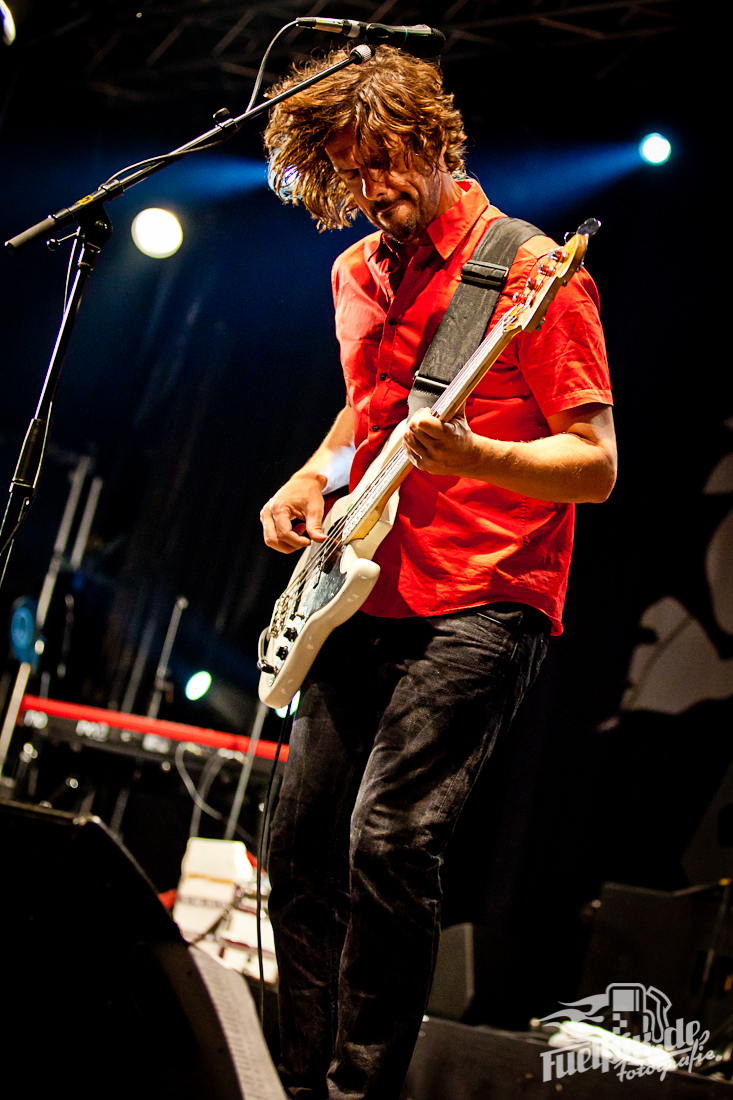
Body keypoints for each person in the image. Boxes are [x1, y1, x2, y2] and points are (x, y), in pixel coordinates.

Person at [259, 45, 616, 1100]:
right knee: (299, 842)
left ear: (433, 138)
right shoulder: (354, 272)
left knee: (389, 835)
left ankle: (362, 1087)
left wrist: (480, 457)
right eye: (348, 172)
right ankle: (301, 1079)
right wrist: (311, 473)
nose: (374, 189)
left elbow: (594, 462)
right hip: (360, 587)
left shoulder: (532, 270)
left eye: (385, 161)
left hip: (485, 598)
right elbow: (365, 411)